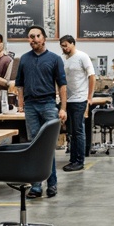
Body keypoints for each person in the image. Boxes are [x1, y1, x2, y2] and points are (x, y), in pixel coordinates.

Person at [13, 26, 67, 198]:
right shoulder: (24, 59)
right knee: (34, 145)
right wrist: (21, 104)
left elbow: (63, 86)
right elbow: (19, 84)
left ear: (44, 38)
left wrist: (63, 108)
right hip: (30, 107)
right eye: (31, 36)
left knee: (48, 145)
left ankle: (52, 183)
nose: (34, 39)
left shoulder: (55, 59)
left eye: (37, 36)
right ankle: (36, 186)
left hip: (48, 105)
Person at [58, 35, 96, 172]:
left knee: (78, 131)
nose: (64, 48)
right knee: (71, 132)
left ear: (73, 44)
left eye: (66, 45)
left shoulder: (82, 56)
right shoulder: (63, 59)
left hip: (80, 99)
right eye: (62, 46)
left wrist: (89, 97)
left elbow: (92, 77)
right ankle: (73, 159)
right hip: (67, 100)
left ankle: (79, 161)